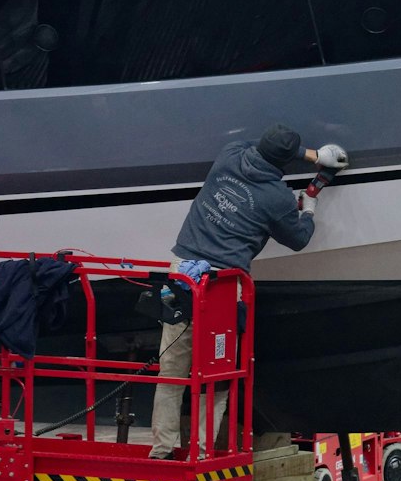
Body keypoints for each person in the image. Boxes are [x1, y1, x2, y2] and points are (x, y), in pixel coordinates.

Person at [150, 123, 349, 459]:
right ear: (285, 162)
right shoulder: (276, 198)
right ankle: (200, 452)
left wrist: (310, 155)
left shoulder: (229, 155)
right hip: (222, 286)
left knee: (171, 369)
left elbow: (254, 143)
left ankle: (162, 447)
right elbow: (298, 239)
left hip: (181, 273)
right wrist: (311, 206)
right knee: (216, 373)